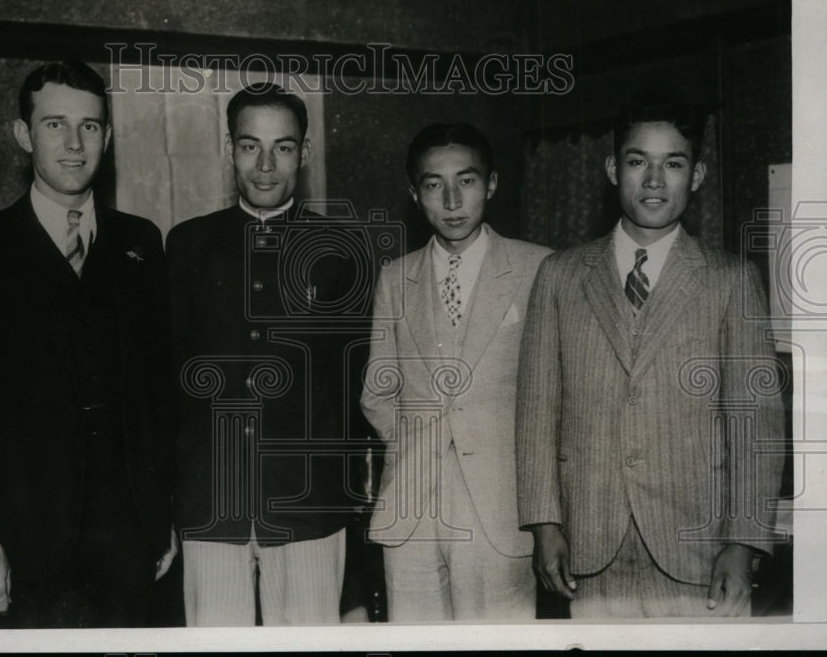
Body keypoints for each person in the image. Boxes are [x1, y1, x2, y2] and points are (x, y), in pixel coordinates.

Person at [0, 60, 176, 628]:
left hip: (127, 543)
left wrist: (163, 520)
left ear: (107, 138)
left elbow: (156, 397)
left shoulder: (140, 244)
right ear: (23, 134)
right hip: (18, 546)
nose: (74, 143)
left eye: (90, 126)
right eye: (55, 124)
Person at [515, 87, 786, 618]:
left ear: (698, 176)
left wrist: (744, 543)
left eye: (674, 164)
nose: (655, 180)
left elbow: (756, 425)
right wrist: (545, 525)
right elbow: (535, 413)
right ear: (614, 168)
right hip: (590, 546)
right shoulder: (561, 276)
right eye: (639, 161)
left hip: (701, 551)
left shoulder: (731, 279)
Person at [166, 83, 359, 626]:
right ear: (229, 151)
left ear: (306, 152)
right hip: (210, 504)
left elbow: (352, 393)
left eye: (284, 146)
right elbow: (170, 384)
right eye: (251, 146)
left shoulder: (341, 251)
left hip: (309, 505)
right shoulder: (186, 245)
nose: (267, 164)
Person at [359, 122, 551, 621]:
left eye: (465, 181)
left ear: (490, 184)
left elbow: (554, 396)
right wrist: (415, 448)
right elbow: (378, 392)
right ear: (413, 193)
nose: (450, 199)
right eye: (432, 184)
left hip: (500, 507)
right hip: (411, 508)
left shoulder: (539, 269)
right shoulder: (395, 278)